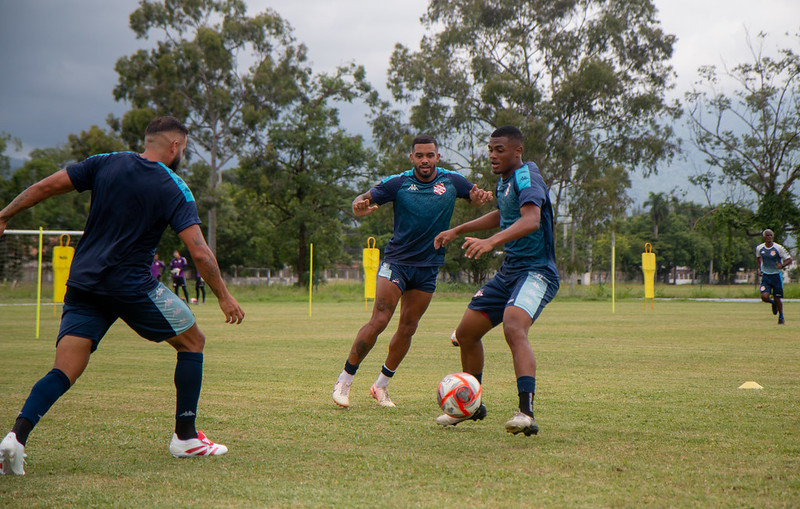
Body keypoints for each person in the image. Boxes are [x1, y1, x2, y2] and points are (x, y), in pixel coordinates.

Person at [0, 116, 245, 475]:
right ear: (176, 147)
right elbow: (201, 253)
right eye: (185, 148)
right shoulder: (174, 186)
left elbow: (46, 186)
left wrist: (4, 215)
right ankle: (186, 437)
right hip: (129, 285)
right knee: (193, 342)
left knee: (65, 368)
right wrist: (223, 296)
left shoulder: (105, 162)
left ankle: (14, 439)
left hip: (83, 282)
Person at [332, 134, 493, 409]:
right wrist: (358, 205)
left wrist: (480, 199)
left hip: (428, 267)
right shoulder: (399, 182)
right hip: (396, 262)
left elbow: (475, 200)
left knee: (408, 328)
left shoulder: (452, 181)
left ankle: (381, 386)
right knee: (379, 321)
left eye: (430, 155)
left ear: (437, 157)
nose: (425, 160)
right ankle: (344, 380)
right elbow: (363, 200)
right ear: (412, 158)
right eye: (419, 156)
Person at [433, 125, 558, 436]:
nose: (492, 155)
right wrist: (457, 230)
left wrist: (490, 243)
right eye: (490, 149)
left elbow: (529, 220)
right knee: (466, 333)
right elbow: (502, 215)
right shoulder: (505, 181)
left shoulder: (526, 176)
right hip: (509, 272)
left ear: (517, 151)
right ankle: (470, 405)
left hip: (537, 270)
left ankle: (525, 412)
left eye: (499, 149)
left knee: (514, 326)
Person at [756, 228, 792, 325]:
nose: (769, 237)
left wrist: (782, 266)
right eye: (767, 235)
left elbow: (789, 259)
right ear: (763, 237)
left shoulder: (778, 248)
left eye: (770, 235)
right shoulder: (760, 248)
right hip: (766, 276)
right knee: (764, 296)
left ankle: (781, 317)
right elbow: (758, 258)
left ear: (773, 237)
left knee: (777, 297)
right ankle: (773, 303)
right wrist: (759, 269)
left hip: (776, 276)